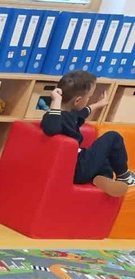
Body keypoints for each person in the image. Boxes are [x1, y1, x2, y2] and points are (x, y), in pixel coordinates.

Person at [41, 69, 135, 197]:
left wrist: (98, 104)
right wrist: (56, 101)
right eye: (88, 97)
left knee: (104, 158)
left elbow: (82, 113)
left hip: (77, 166)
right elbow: (51, 128)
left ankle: (101, 179)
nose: (88, 99)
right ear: (78, 100)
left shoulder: (68, 115)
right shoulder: (53, 118)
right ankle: (124, 176)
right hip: (75, 169)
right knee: (113, 137)